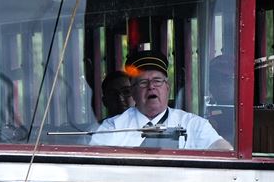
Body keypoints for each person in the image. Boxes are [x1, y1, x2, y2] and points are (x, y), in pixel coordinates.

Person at [91, 48, 231, 150]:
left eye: (157, 81)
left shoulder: (192, 124)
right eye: (143, 82)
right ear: (133, 91)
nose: (151, 87)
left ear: (167, 88)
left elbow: (224, 151)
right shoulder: (113, 127)